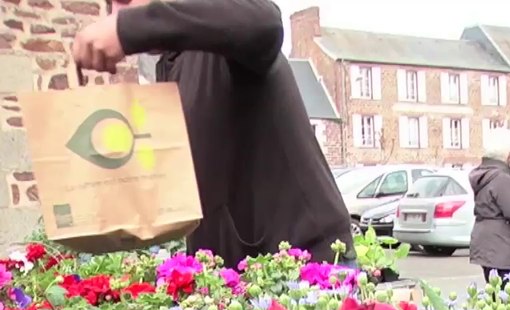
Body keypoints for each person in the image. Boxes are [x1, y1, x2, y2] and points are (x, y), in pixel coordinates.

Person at [71, 0, 353, 269]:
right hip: (239, 276)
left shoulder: (222, 38)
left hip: (307, 265)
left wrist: (128, 28)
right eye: (113, 6)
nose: (117, 12)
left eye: (125, 2)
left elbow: (264, 21)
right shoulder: (169, 67)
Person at [469, 129, 510, 282]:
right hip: (501, 243)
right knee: (505, 295)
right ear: (507, 154)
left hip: (485, 240)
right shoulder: (501, 177)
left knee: (493, 290)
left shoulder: (484, 173)